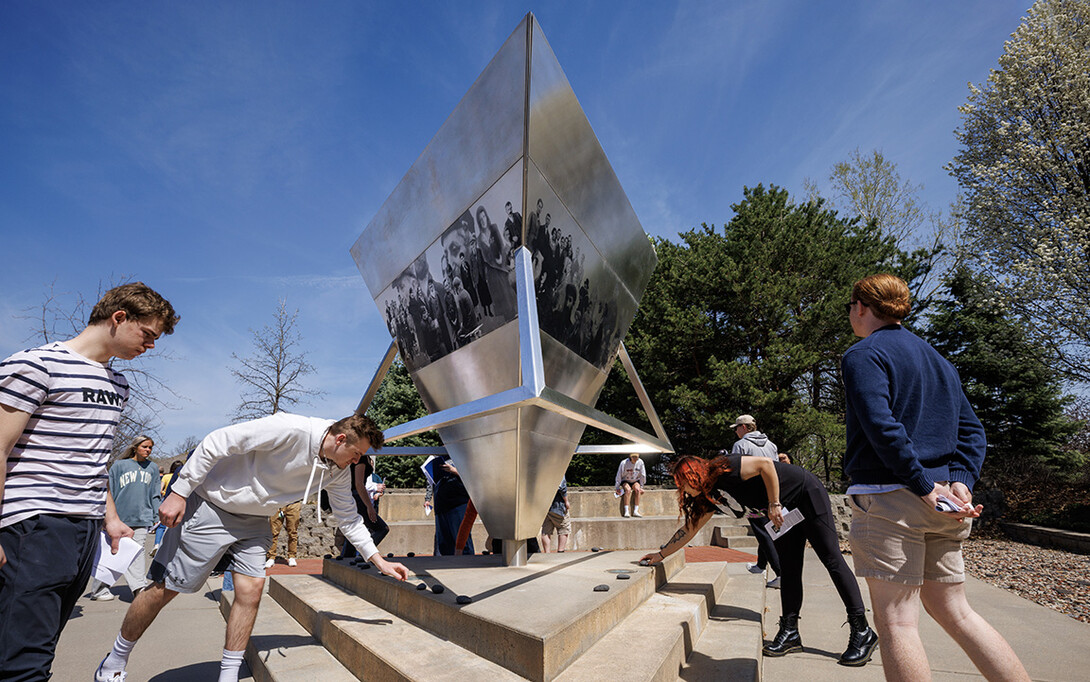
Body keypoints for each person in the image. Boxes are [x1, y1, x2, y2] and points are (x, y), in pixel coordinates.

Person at [92, 412, 410, 682]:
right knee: (166, 588)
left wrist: (377, 559)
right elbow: (218, 441)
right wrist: (179, 491)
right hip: (213, 505)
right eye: (356, 454)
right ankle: (115, 660)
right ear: (340, 440)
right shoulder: (290, 428)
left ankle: (228, 676)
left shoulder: (338, 469)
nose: (358, 462)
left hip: (257, 519)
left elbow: (348, 517)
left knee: (252, 589)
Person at [842, 273, 1029, 682]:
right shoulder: (939, 361)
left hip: (891, 498)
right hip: (944, 504)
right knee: (956, 611)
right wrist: (960, 481)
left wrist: (923, 484)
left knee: (897, 623)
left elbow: (882, 427)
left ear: (861, 306)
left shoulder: (863, 355)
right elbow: (972, 431)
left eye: (849, 307)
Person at [0, 282, 178, 681]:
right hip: (34, 523)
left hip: (85, 531)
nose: (150, 347)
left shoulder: (118, 385)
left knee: (42, 645)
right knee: (21, 659)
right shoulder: (35, 364)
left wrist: (110, 518)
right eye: (147, 335)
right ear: (119, 318)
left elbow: (94, 463)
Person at [641, 453, 879, 667]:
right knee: (789, 567)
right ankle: (790, 632)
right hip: (784, 515)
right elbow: (689, 529)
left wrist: (774, 503)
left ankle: (863, 631)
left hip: (805, 494)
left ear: (693, 476)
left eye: (682, 483)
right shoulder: (710, 498)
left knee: (832, 560)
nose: (682, 490)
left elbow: (765, 464)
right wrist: (661, 555)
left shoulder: (728, 468)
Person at [89, 435, 163, 601]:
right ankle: (99, 589)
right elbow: (110, 491)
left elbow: (155, 494)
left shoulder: (152, 468)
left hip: (142, 516)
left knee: (136, 552)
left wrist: (155, 514)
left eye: (150, 447)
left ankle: (138, 588)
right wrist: (107, 516)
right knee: (113, 553)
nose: (148, 450)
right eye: (145, 446)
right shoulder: (119, 466)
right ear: (135, 447)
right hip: (119, 518)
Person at [729, 414, 783, 589]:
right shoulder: (771, 445)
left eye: (736, 428)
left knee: (763, 533)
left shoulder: (740, 445)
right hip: (770, 496)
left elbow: (736, 474)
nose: (736, 431)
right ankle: (761, 565)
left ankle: (781, 573)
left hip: (753, 498)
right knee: (766, 530)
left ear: (744, 427)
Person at [432, 454, 473, 555]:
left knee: (462, 542)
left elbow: (474, 476)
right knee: (444, 544)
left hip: (458, 503)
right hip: (441, 505)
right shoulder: (438, 455)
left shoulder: (463, 452)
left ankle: (467, 566)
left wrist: (454, 471)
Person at [264, 501, 302, 568]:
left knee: (293, 532)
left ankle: (292, 556)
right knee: (273, 532)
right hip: (277, 503)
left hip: (293, 503)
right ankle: (271, 557)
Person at [539, 477, 571, 552]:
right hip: (557, 504)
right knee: (564, 528)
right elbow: (561, 486)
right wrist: (566, 501)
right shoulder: (558, 467)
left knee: (546, 530)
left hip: (544, 504)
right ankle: (560, 551)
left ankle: (547, 553)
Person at [615, 453, 646, 517]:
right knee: (628, 490)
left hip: (635, 480)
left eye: (636, 457)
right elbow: (619, 474)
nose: (635, 459)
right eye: (633, 457)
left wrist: (642, 486)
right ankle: (626, 511)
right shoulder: (624, 463)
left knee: (637, 490)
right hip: (625, 480)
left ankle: (636, 511)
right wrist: (617, 487)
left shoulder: (640, 462)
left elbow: (643, 474)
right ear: (630, 457)